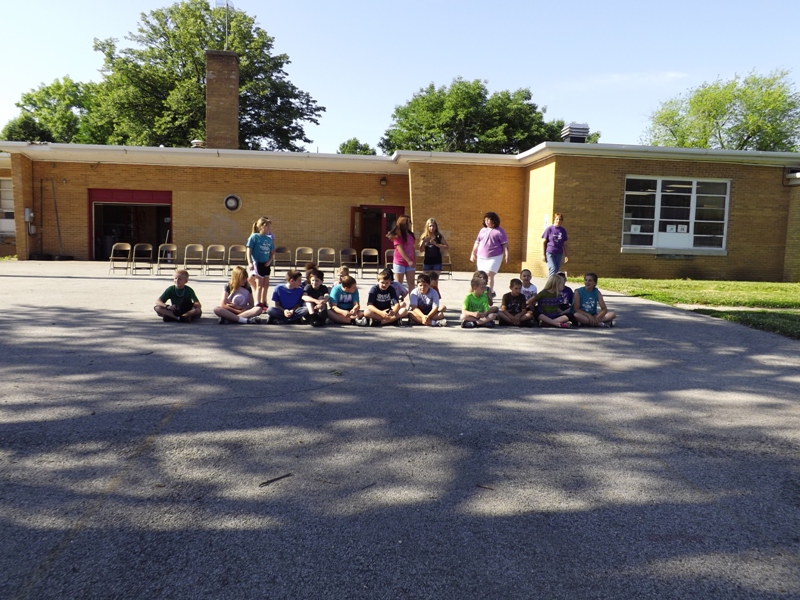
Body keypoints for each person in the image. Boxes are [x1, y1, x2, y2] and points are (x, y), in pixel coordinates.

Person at [470, 211, 508, 298]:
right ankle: (480, 292)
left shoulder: (500, 231)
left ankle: (490, 293)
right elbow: (477, 242)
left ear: (494, 220)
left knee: (489, 275)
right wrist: (473, 253)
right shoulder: (482, 230)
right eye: (485, 220)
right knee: (481, 275)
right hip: (481, 256)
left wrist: (507, 254)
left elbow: (505, 244)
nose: (486, 221)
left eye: (489, 220)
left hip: (495, 256)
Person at [246, 217, 274, 310]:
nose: (269, 229)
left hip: (266, 264)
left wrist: (269, 261)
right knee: (259, 285)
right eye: (267, 227)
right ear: (262, 226)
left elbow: (272, 252)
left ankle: (264, 301)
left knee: (266, 285)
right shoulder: (254, 237)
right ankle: (257, 303)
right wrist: (250, 262)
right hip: (258, 263)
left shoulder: (268, 239)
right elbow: (249, 250)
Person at [388, 214, 416, 288]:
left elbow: (413, 248)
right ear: (404, 224)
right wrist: (408, 261)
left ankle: (412, 296)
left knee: (411, 282)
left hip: (410, 263)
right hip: (400, 263)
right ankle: (398, 296)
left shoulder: (411, 235)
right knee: (399, 284)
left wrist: (414, 260)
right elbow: (400, 249)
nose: (411, 224)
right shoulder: (398, 235)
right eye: (409, 222)